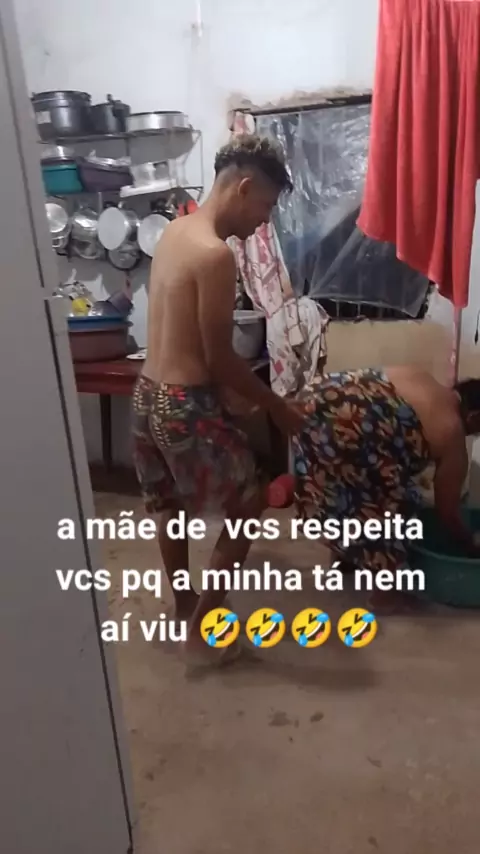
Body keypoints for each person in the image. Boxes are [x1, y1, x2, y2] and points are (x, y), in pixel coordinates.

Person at [132, 133, 305, 663]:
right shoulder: (215, 254)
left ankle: (184, 604)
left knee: (167, 504)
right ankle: (204, 629)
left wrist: (233, 397)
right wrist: (275, 405)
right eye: (266, 206)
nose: (264, 221)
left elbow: (190, 341)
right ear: (244, 187)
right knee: (249, 503)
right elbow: (218, 357)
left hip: (146, 394)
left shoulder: (176, 231)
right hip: (183, 404)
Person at [292, 365, 480, 614]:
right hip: (347, 423)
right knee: (398, 503)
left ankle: (344, 560)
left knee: (343, 486)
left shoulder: (422, 376)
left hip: (311, 401)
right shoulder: (453, 432)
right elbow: (447, 511)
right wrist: (470, 545)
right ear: (474, 418)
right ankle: (384, 596)